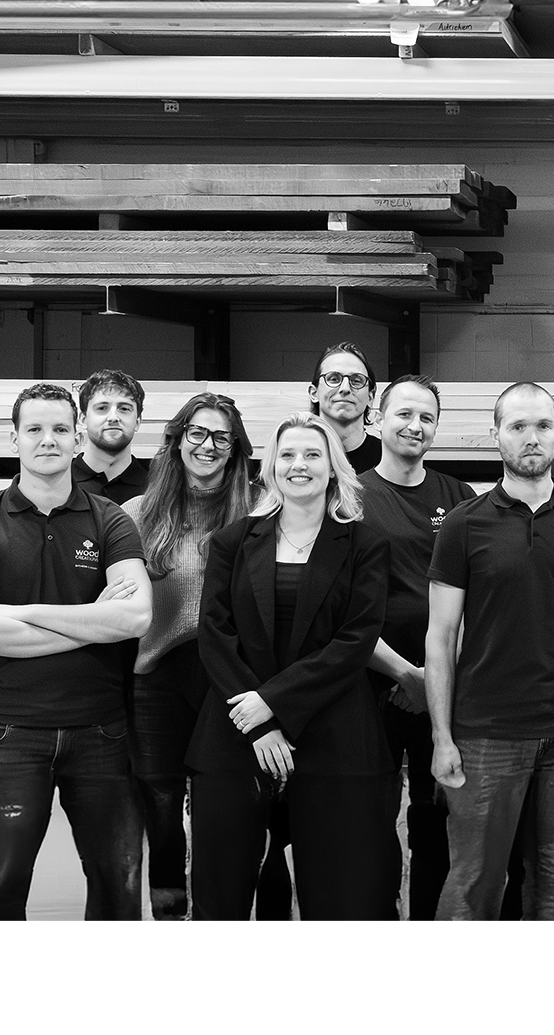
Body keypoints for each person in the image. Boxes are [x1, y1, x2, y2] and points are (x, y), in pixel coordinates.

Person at [0, 383, 152, 920]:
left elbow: (135, 617)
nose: (48, 440)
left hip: (101, 730)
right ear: (13, 438)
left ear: (77, 436)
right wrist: (92, 623)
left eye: (61, 429)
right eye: (34, 429)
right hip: (5, 732)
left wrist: (17, 612)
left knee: (118, 885)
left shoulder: (111, 519)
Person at [189, 413, 398, 920]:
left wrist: (272, 704)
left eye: (312, 455)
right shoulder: (232, 541)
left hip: (334, 734)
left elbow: (356, 640)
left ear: (333, 468)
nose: (298, 465)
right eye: (287, 455)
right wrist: (258, 723)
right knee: (220, 895)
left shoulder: (366, 545)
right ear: (270, 467)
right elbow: (215, 634)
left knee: (340, 898)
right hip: (237, 734)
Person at [427, 382, 554, 921]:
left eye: (542, 425)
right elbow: (440, 636)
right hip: (484, 733)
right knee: (475, 881)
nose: (531, 438)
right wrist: (441, 736)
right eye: (517, 426)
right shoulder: (464, 523)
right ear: (496, 436)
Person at [119, 392, 254, 921]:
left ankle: (220, 907)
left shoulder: (259, 511)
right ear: (177, 441)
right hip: (158, 676)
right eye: (197, 433)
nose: (208, 445)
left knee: (225, 801)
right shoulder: (137, 514)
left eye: (222, 436)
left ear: (235, 447)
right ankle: (169, 905)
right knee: (160, 798)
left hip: (230, 678)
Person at [358, 374, 474, 922]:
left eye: (427, 417)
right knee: (373, 821)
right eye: (403, 413)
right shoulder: (350, 495)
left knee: (436, 822)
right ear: (377, 419)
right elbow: (340, 607)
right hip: (371, 683)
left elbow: (478, 595)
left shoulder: (459, 497)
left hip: (445, 689)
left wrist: (435, 678)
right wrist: (406, 674)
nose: (415, 425)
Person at [71, 369, 149, 505]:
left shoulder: (158, 487)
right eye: (102, 408)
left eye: (124, 409)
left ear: (137, 422)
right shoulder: (59, 482)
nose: (113, 417)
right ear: (83, 419)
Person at [310, 342, 382, 475]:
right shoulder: (293, 455)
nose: (345, 388)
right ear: (314, 393)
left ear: (370, 397)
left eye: (356, 381)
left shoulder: (387, 458)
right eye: (333, 379)